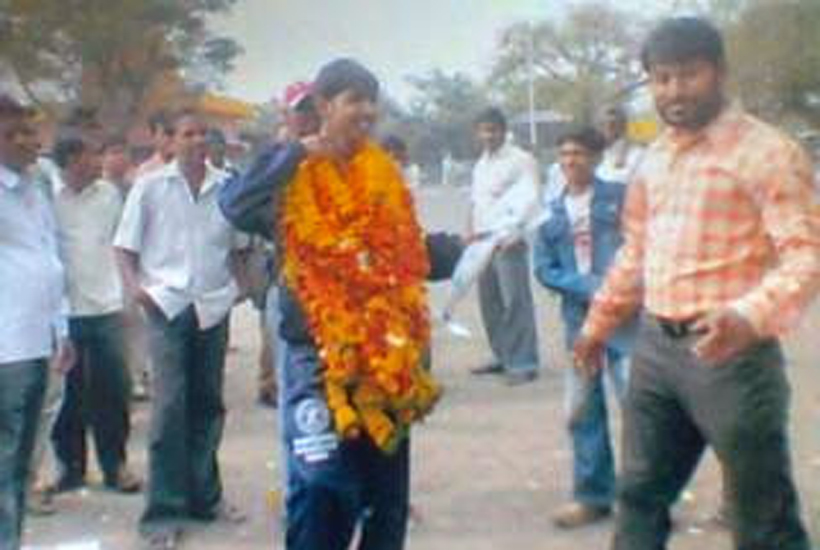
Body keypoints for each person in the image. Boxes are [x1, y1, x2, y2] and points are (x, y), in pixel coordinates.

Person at [573, 17, 820, 550]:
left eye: (688, 75)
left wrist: (746, 315)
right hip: (657, 353)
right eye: (661, 78)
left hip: (732, 359)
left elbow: (806, 257)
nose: (674, 91)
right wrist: (597, 324)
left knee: (764, 519)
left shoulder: (767, 153)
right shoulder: (655, 157)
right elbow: (637, 251)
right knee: (638, 498)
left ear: (720, 73)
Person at [219, 58, 462, 550]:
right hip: (317, 358)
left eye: (372, 100)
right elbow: (236, 205)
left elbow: (403, 254)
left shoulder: (384, 175)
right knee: (324, 487)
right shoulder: (290, 171)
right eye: (355, 100)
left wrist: (458, 251)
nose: (367, 111)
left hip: (383, 361)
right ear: (324, 106)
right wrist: (293, 153)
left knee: (386, 498)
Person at [114, 109, 247, 549]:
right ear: (170, 141)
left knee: (208, 404)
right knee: (170, 408)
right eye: (187, 134)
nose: (196, 142)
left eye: (203, 135)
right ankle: (162, 514)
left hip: (212, 306)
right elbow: (124, 248)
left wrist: (240, 288)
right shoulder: (150, 187)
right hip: (167, 306)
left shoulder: (227, 188)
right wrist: (138, 292)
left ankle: (205, 498)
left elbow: (242, 246)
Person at [533, 126, 635, 528]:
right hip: (579, 322)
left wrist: (617, 287)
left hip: (626, 319)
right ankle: (593, 495)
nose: (571, 161)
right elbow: (543, 268)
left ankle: (644, 497)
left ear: (596, 157)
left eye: (578, 153)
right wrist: (590, 286)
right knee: (581, 408)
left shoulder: (621, 199)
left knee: (638, 408)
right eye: (564, 153)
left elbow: (640, 246)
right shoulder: (550, 213)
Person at [0, 94, 74, 550]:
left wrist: (62, 329)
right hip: (5, 348)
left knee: (22, 464)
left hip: (39, 343)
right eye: (16, 134)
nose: (30, 141)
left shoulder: (37, 186)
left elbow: (50, 258)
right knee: (4, 462)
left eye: (30, 130)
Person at [50, 134, 141, 495]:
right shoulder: (49, 199)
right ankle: (70, 468)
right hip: (65, 312)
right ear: (71, 160)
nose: (97, 161)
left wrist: (129, 297)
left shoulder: (109, 195)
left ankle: (115, 466)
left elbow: (125, 245)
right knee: (67, 397)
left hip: (107, 308)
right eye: (90, 155)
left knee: (112, 393)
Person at [468, 107, 541, 385]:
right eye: (483, 130)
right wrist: (470, 231)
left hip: (509, 240)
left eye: (493, 129)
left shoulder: (521, 160)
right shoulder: (481, 164)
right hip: (483, 240)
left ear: (503, 129)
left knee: (515, 302)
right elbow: (476, 201)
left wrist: (516, 233)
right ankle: (502, 355)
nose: (488, 135)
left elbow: (532, 199)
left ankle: (524, 362)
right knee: (490, 302)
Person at [596, 105, 644, 185]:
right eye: (602, 124)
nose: (606, 128)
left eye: (612, 124)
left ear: (623, 126)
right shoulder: (594, 155)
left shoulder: (637, 154)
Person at [135, 110, 174, 178]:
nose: (172, 138)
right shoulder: (146, 172)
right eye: (168, 133)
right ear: (153, 136)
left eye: (174, 133)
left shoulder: (191, 167)